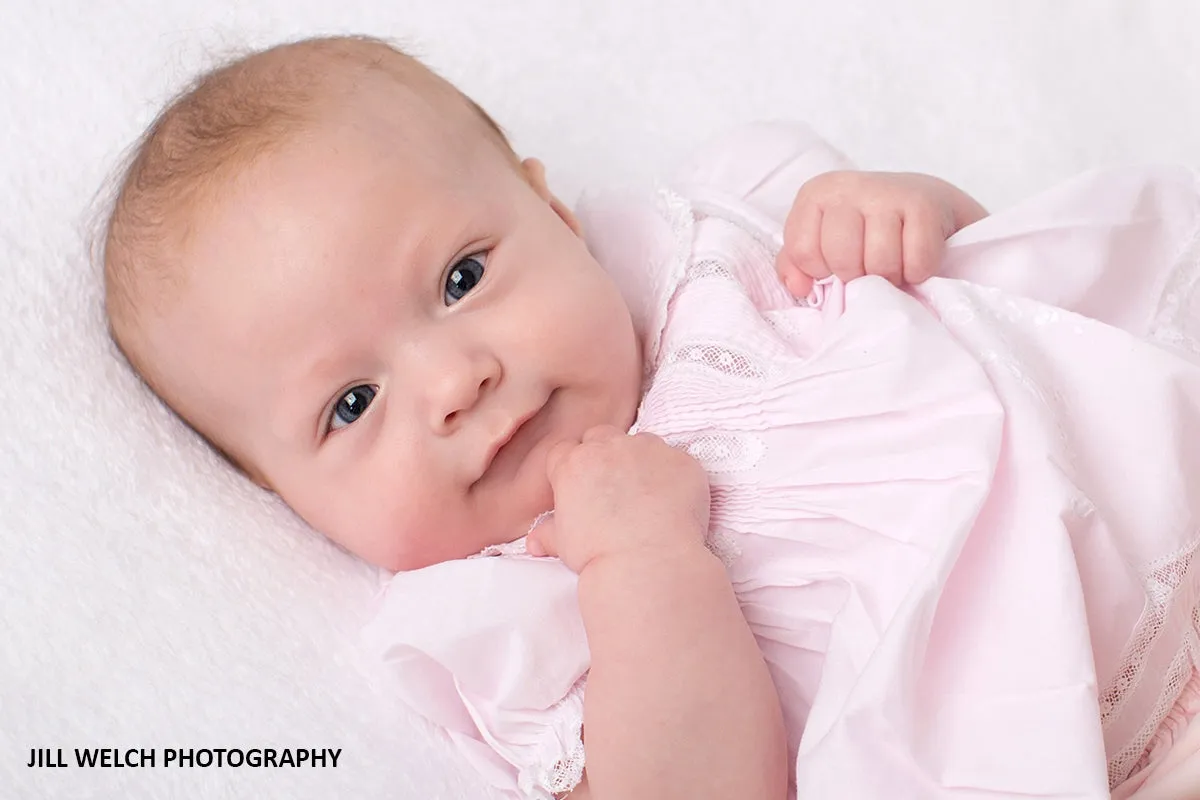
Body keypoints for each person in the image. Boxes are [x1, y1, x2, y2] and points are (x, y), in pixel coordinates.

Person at [102, 35, 1200, 800]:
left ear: (552, 209)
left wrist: (905, 210)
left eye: (461, 276)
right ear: (280, 496)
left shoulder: (724, 227)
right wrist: (644, 557)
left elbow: (1012, 282)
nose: (454, 380)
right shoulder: (503, 613)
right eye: (352, 402)